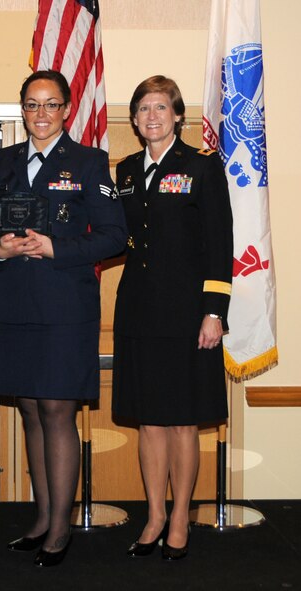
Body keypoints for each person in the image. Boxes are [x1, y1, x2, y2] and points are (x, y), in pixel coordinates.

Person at [0, 70, 127, 567]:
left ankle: (61, 527)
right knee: (30, 410)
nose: (41, 114)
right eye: (33, 105)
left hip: (65, 307)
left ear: (67, 110)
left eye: (51, 105)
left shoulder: (89, 161)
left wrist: (54, 245)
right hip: (16, 304)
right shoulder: (3, 161)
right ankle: (40, 518)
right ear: (22, 110)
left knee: (58, 412)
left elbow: (113, 235)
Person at [112, 75, 233, 560]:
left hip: (187, 315)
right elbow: (114, 235)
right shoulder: (123, 172)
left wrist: (214, 313)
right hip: (138, 311)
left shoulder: (201, 167)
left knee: (183, 422)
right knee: (149, 422)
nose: (152, 116)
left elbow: (220, 246)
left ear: (178, 115)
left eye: (161, 107)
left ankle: (181, 516)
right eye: (143, 108)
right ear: (136, 120)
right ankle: (155, 514)